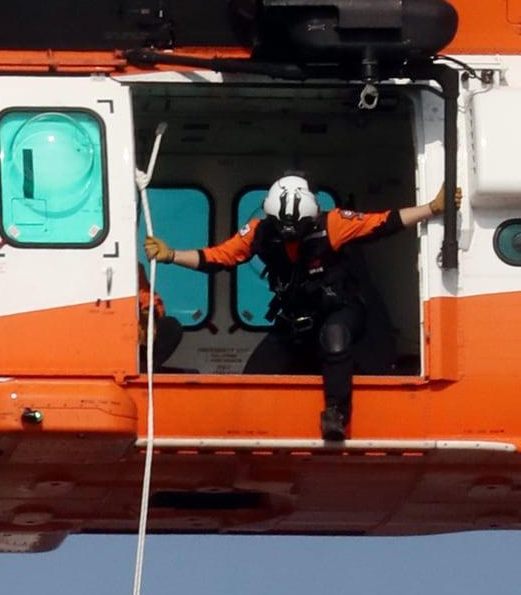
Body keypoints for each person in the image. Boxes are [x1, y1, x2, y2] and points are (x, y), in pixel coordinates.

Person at [145, 174, 457, 444]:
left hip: (339, 311)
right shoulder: (259, 231)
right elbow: (218, 258)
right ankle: (247, 429)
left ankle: (336, 415)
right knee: (256, 374)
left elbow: (383, 222)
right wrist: (172, 254)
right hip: (295, 319)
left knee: (335, 337)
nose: (290, 235)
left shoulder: (334, 223)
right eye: (284, 228)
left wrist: (432, 208)